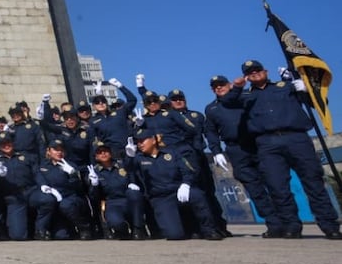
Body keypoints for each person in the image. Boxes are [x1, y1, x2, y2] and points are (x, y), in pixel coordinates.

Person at [220, 60, 341, 239]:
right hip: (267, 143)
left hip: (296, 138)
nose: (255, 73)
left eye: (257, 70)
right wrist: (237, 87)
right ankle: (292, 226)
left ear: (266, 71)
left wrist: (306, 88)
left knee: (313, 182)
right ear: (246, 76)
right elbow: (227, 103)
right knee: (277, 187)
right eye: (250, 72)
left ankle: (329, 225)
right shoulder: (245, 96)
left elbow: (317, 102)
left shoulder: (285, 86)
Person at [203, 74, 277, 233]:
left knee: (275, 183)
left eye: (221, 84)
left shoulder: (246, 97)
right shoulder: (211, 108)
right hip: (236, 149)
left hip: (259, 144)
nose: (219, 88)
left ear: (230, 84)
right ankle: (273, 223)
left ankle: (289, 222)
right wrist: (216, 151)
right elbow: (211, 132)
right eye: (215, 86)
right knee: (254, 187)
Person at [131, 128, 223, 241]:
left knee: (197, 195)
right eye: (138, 141)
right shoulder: (138, 159)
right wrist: (128, 156)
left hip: (178, 190)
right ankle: (185, 229)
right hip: (161, 197)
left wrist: (186, 184)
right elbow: (130, 170)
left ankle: (209, 230)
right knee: (174, 235)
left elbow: (187, 170)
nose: (139, 144)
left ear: (153, 140)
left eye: (142, 140)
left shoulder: (172, 153)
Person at [33, 139, 94, 240]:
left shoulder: (71, 166)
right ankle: (40, 230)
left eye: (61, 150)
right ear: (48, 151)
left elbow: (79, 188)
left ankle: (84, 228)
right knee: (61, 236)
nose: (59, 152)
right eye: (56, 150)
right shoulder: (43, 166)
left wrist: (73, 174)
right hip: (53, 202)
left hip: (69, 198)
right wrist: (47, 188)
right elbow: (40, 179)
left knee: (66, 205)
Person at [87, 143, 146, 239]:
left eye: (105, 151)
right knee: (116, 222)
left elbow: (134, 169)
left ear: (110, 153)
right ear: (96, 157)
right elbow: (94, 197)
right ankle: (123, 231)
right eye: (99, 152)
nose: (103, 154)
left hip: (128, 199)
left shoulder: (122, 164)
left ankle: (138, 229)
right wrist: (94, 185)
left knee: (134, 193)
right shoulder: (94, 172)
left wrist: (131, 157)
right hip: (112, 203)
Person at [0, 133, 37, 241]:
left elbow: (36, 175)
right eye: (3, 144)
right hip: (11, 198)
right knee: (18, 235)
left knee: (44, 200)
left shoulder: (26, 157)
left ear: (12, 143)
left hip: (28, 192)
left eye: (8, 142)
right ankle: (4, 232)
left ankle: (38, 230)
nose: (6, 145)